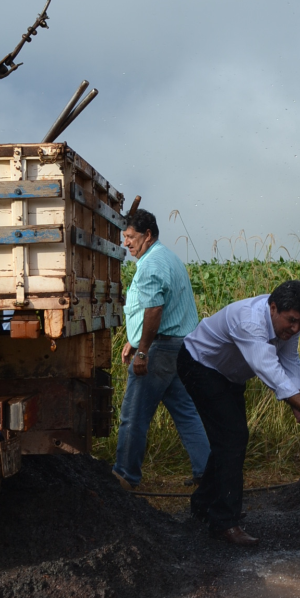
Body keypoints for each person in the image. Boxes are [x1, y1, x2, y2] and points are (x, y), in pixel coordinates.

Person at [178, 280, 300, 547]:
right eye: (292, 321)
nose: (296, 328)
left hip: (230, 374)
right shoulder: (249, 321)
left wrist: (298, 399)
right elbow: (270, 371)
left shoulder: (288, 322)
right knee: (233, 437)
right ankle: (224, 523)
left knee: (231, 438)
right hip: (200, 365)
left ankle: (204, 505)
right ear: (273, 308)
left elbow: (289, 360)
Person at [113, 209, 210, 490]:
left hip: (160, 350)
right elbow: (159, 307)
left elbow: (155, 309)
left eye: (130, 237)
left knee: (134, 414)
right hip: (179, 347)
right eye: (124, 238)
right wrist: (134, 337)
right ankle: (207, 472)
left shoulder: (151, 265)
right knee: (186, 411)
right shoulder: (167, 257)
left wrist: (142, 351)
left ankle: (125, 475)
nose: (126, 243)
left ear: (148, 235)